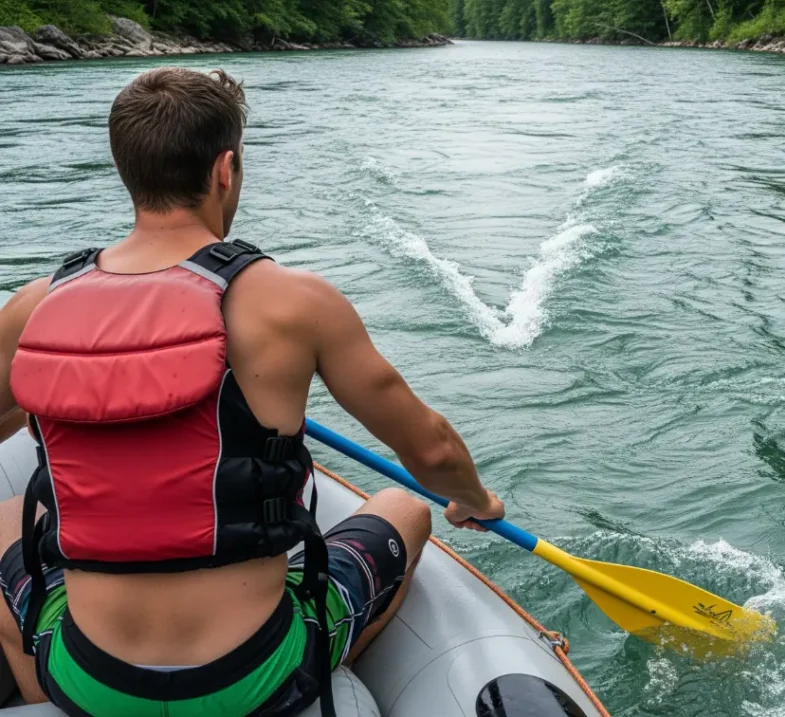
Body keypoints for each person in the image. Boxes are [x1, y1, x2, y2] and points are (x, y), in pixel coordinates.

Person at [0, 67, 505, 717]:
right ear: (226, 169)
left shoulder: (34, 308)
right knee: (406, 507)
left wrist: (53, 403)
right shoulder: (293, 303)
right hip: (253, 675)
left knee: (7, 517)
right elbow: (431, 449)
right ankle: (315, 661)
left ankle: (44, 687)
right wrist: (475, 499)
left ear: (126, 170)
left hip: (92, 678)